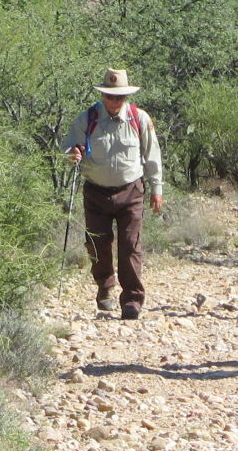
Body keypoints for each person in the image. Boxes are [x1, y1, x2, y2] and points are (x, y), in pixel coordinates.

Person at [62, 67, 164, 320]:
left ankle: (132, 299)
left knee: (130, 245)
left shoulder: (138, 118)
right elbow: (69, 148)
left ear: (126, 97)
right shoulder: (87, 118)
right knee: (97, 243)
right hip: (95, 191)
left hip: (131, 191)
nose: (115, 101)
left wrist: (156, 188)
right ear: (103, 96)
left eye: (119, 97)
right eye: (110, 96)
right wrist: (72, 154)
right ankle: (105, 289)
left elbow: (152, 155)